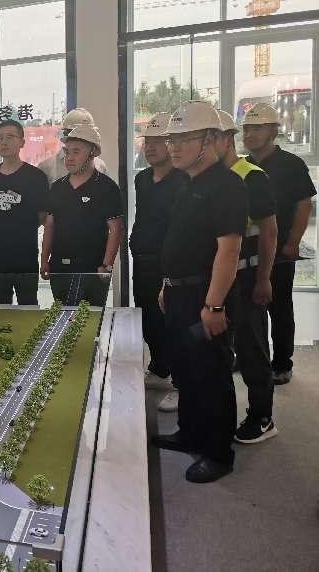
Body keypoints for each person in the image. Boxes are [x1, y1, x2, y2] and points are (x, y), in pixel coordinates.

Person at [153, 100, 247, 484]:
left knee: (211, 373)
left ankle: (219, 453)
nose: (173, 146)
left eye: (183, 138)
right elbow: (182, 241)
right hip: (179, 294)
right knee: (186, 370)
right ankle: (190, 433)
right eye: (171, 139)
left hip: (205, 297)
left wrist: (214, 305)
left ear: (210, 139)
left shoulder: (227, 186)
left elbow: (229, 250)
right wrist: (167, 284)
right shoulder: (187, 182)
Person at [214, 109, 278, 444]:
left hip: (247, 276)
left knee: (252, 348)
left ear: (227, 140)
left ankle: (262, 416)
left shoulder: (252, 177)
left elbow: (269, 231)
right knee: (222, 349)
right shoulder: (209, 179)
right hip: (219, 280)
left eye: (210, 138)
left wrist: (264, 278)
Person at [243, 103, 317, 385]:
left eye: (257, 128)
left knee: (279, 306)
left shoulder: (290, 164)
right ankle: (247, 357)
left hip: (280, 249)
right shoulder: (241, 166)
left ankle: (282, 363)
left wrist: (293, 242)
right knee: (247, 309)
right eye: (246, 129)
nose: (249, 134)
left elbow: (304, 205)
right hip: (248, 251)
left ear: (273, 131)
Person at [129, 112, 188, 413]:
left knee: (172, 321)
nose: (150, 147)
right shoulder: (142, 179)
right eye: (147, 141)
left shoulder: (183, 180)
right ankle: (160, 366)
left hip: (170, 262)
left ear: (172, 143)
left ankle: (182, 382)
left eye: (158, 141)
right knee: (148, 319)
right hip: (142, 259)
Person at [40, 124, 123, 307]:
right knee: (62, 317)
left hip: (93, 271)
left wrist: (107, 265)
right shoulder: (58, 187)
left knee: (88, 320)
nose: (69, 158)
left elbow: (116, 229)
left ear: (92, 153)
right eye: (67, 152)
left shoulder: (107, 188)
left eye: (76, 152)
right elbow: (50, 225)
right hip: (59, 269)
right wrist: (44, 259)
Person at [0, 119, 49, 305]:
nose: (3, 142)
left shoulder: (36, 177)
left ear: (22, 142)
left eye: (10, 137)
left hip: (25, 259)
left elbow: (43, 217)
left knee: (29, 312)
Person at [38, 108, 109, 183]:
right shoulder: (47, 166)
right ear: (65, 134)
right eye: (75, 134)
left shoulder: (100, 166)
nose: (79, 138)